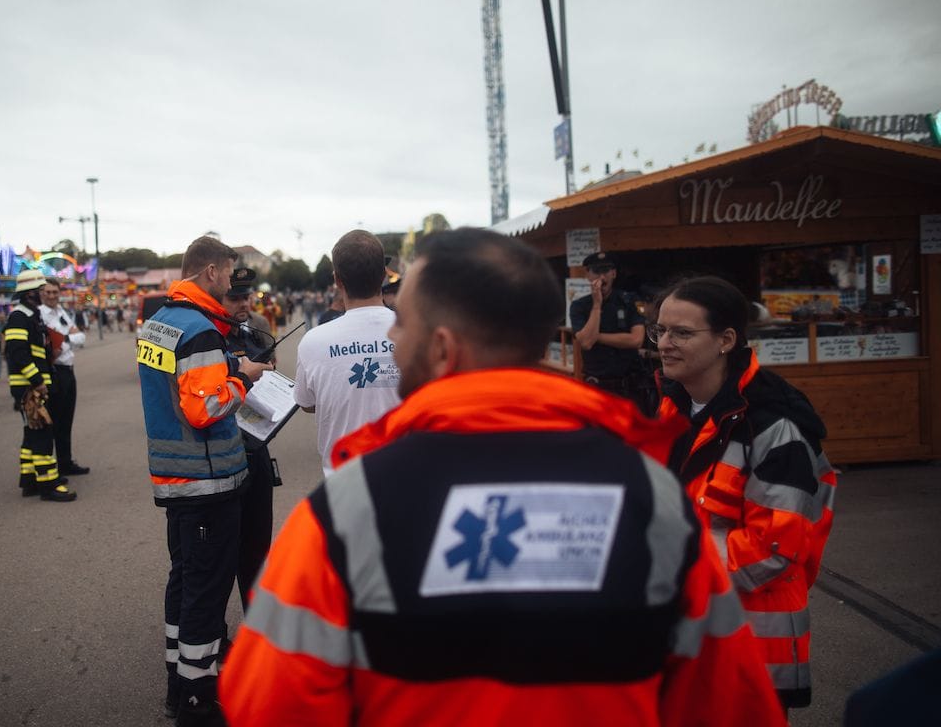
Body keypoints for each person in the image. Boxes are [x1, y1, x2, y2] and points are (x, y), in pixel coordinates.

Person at [220, 228, 786, 727]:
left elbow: (268, 705)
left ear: (441, 348)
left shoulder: (348, 510)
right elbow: (729, 704)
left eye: (404, 327)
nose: (392, 339)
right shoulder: (655, 497)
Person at [653, 275, 836, 712]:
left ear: (726, 340)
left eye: (682, 332)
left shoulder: (775, 426)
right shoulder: (672, 407)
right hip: (689, 634)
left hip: (752, 645)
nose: (664, 344)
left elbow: (771, 549)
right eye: (660, 330)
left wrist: (660, 567)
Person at [136, 236, 271, 726]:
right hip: (208, 482)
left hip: (176, 480)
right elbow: (205, 405)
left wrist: (230, 365)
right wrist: (242, 380)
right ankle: (197, 700)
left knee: (184, 582)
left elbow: (183, 380)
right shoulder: (199, 330)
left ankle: (177, 678)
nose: (231, 284)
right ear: (211, 271)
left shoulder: (160, 324)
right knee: (206, 594)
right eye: (228, 274)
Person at [294, 230, 400, 477]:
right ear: (383, 276)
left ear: (337, 280)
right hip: (406, 476)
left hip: (343, 484)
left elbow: (307, 403)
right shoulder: (417, 332)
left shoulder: (313, 341)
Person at [222, 267, 277, 609]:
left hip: (257, 446)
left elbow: (274, 371)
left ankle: (256, 627)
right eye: (236, 297)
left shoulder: (257, 328)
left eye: (247, 296)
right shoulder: (209, 335)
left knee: (258, 545)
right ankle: (213, 633)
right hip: (225, 449)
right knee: (224, 550)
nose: (244, 303)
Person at [6, 269, 76, 502]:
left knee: (32, 433)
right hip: (29, 387)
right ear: (29, 294)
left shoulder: (29, 315)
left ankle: (30, 481)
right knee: (43, 434)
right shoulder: (19, 317)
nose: (42, 294)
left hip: (32, 385)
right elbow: (17, 353)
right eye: (38, 290)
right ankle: (48, 484)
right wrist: (37, 381)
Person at [570, 251, 648, 410]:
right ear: (588, 275)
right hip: (596, 386)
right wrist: (597, 305)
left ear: (613, 273)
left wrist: (595, 336)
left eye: (605, 271)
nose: (601, 277)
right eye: (596, 272)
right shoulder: (579, 306)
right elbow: (585, 343)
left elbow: (636, 340)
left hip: (629, 387)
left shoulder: (629, 300)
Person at [39, 280, 90, 477]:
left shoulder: (61, 312)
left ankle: (65, 462)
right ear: (42, 293)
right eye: (48, 292)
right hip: (54, 371)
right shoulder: (41, 314)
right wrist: (68, 338)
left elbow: (80, 338)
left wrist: (65, 339)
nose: (52, 295)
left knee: (67, 419)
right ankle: (54, 467)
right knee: (55, 421)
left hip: (68, 370)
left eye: (55, 292)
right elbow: (51, 346)